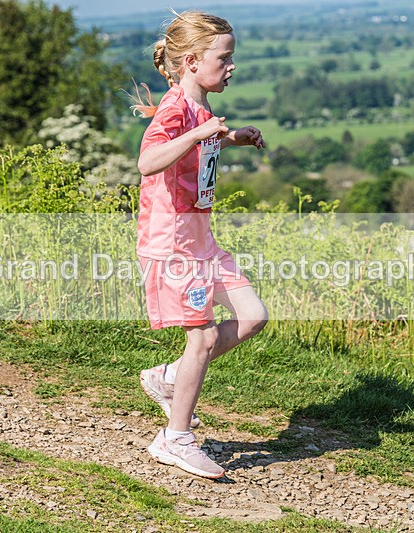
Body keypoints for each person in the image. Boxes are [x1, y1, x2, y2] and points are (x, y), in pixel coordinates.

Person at [130, 10, 269, 479]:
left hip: (200, 241)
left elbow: (199, 145)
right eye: (224, 58)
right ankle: (176, 437)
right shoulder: (175, 110)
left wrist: (231, 138)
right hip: (172, 247)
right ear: (191, 61)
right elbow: (148, 161)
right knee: (204, 337)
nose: (232, 67)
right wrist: (199, 132)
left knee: (253, 317)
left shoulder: (200, 108)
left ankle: (168, 377)